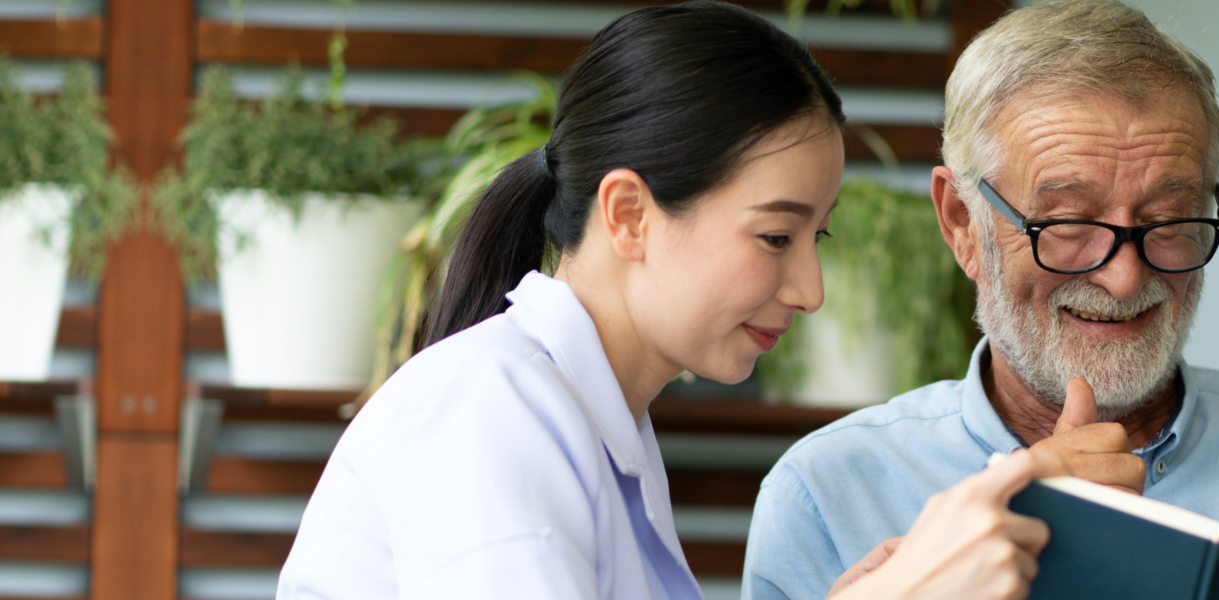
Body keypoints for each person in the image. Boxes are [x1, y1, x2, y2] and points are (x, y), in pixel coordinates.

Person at [275, 3, 1065, 599]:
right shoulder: (492, 406)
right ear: (628, 215)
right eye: (774, 237)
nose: (810, 292)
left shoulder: (601, 423)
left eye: (815, 238)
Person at [740, 1, 1219, 599]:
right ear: (962, 224)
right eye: (1070, 224)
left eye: (1169, 220)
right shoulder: (828, 496)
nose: (1123, 278)